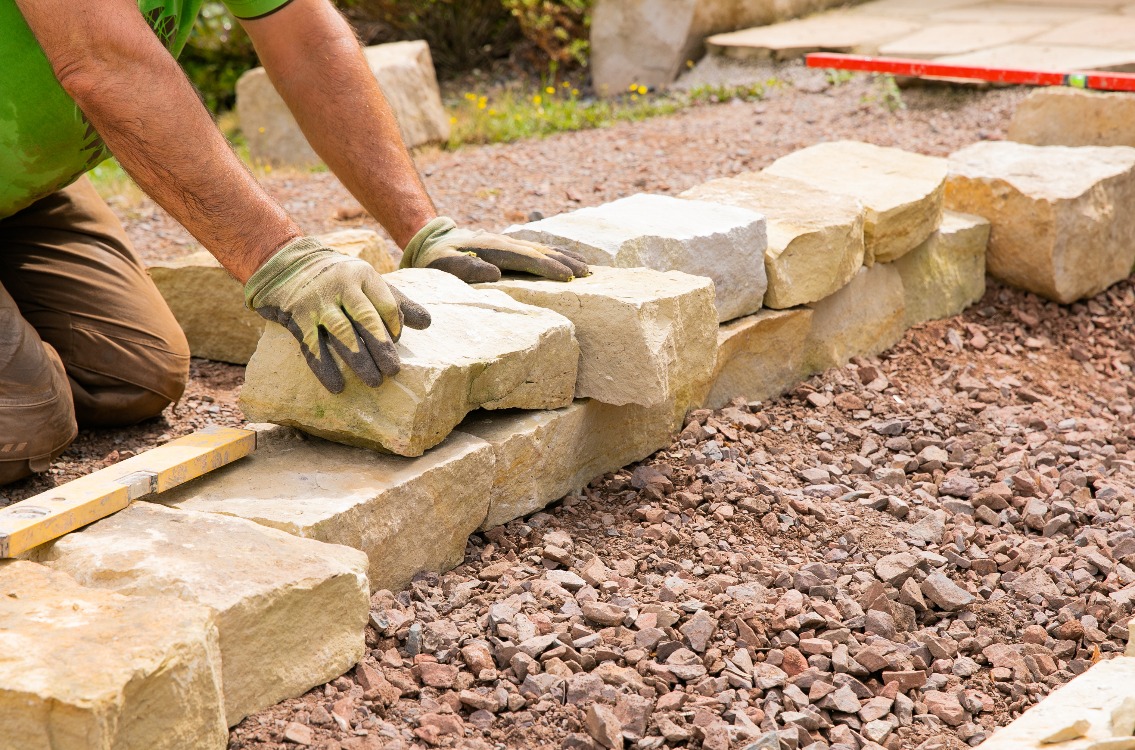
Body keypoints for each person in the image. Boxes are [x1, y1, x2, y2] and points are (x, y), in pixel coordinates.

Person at [0, 0, 589, 485]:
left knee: (134, 377)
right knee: (26, 422)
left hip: (26, 192)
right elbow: (105, 62)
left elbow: (306, 39)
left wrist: (423, 230)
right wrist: (278, 257)